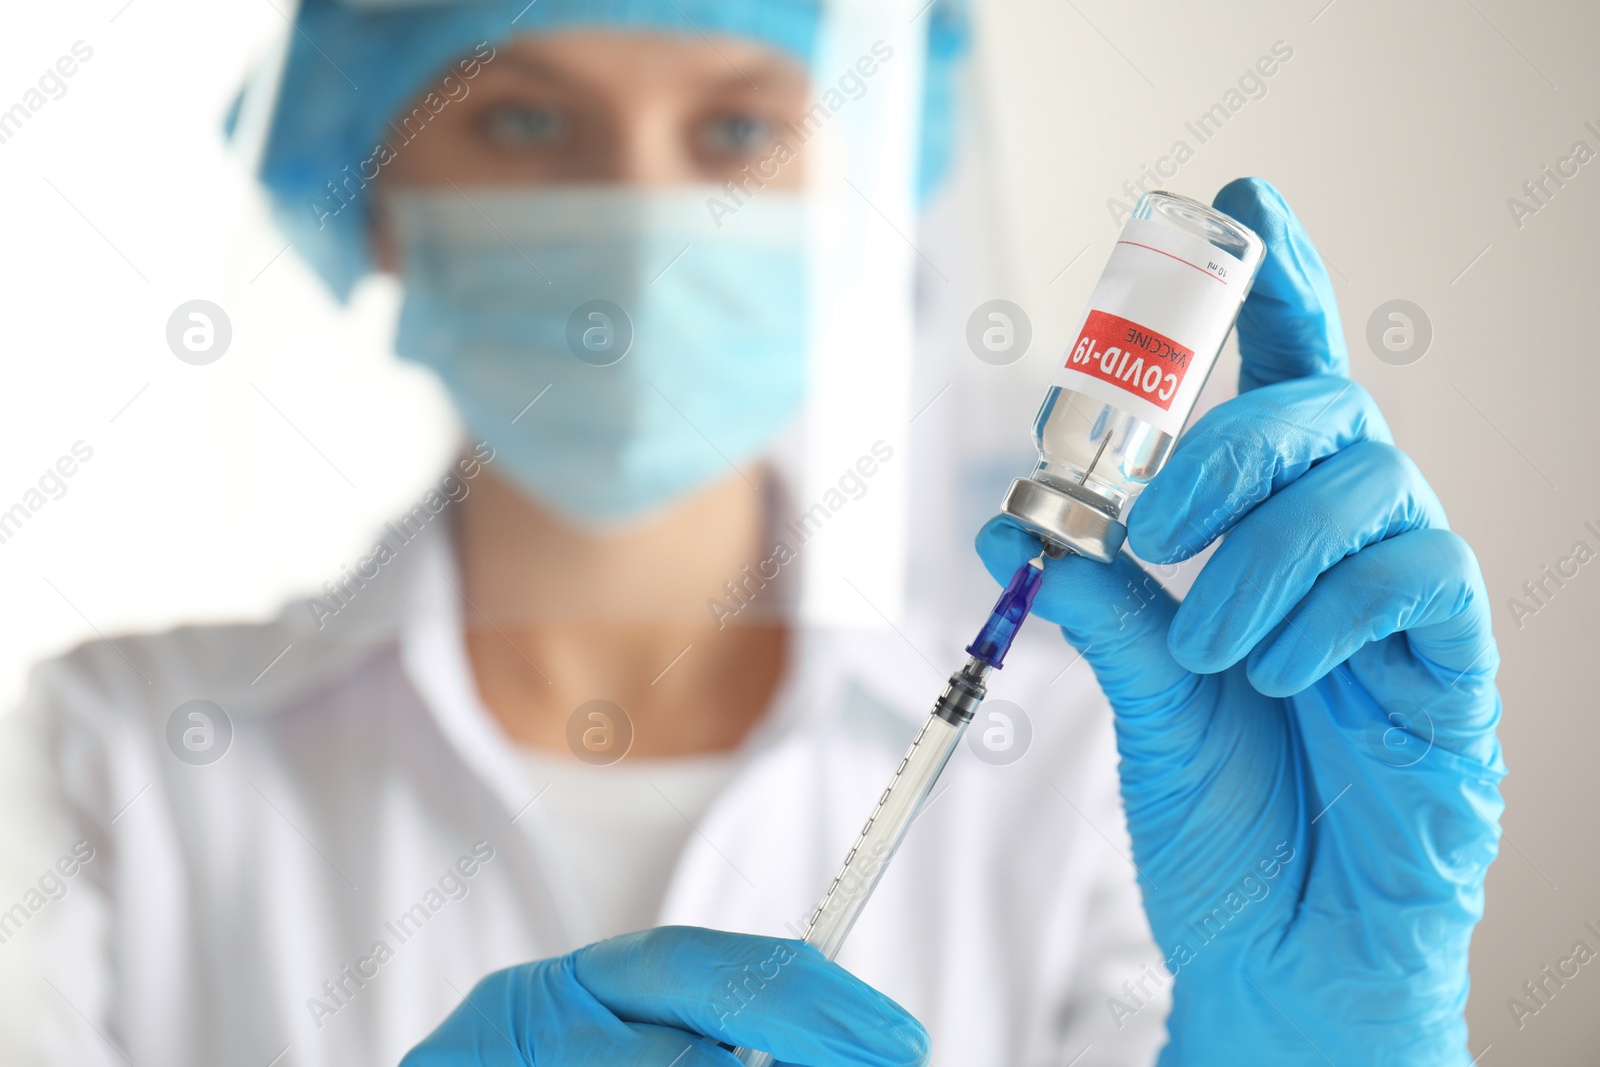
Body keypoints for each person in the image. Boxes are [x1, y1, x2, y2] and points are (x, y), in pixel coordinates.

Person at [0, 1, 1503, 1065]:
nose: (644, 217)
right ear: (379, 196)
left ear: (861, 201)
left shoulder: (1097, 773)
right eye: (525, 117)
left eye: (735, 126)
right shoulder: (114, 754)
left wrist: (1312, 1051)